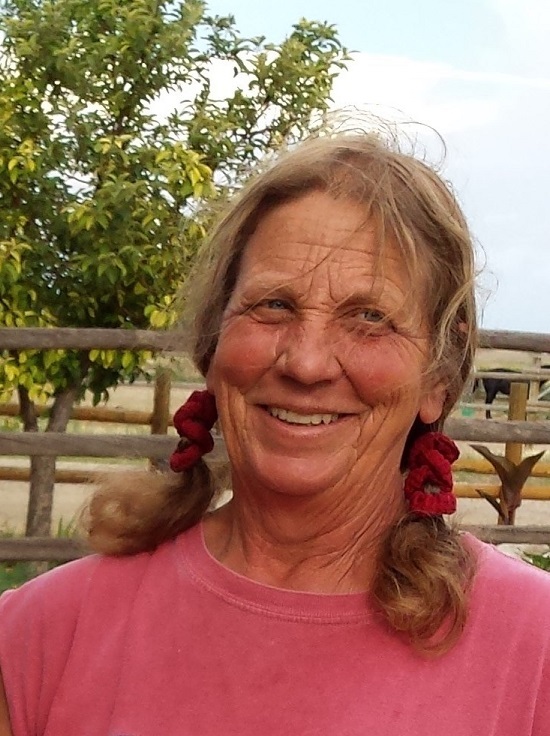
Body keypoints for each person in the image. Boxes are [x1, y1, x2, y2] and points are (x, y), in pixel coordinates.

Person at [0, 132, 549, 736]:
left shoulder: (534, 651)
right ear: (212, 344)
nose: (306, 363)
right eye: (274, 305)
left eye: (369, 317)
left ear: (438, 377)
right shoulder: (38, 637)